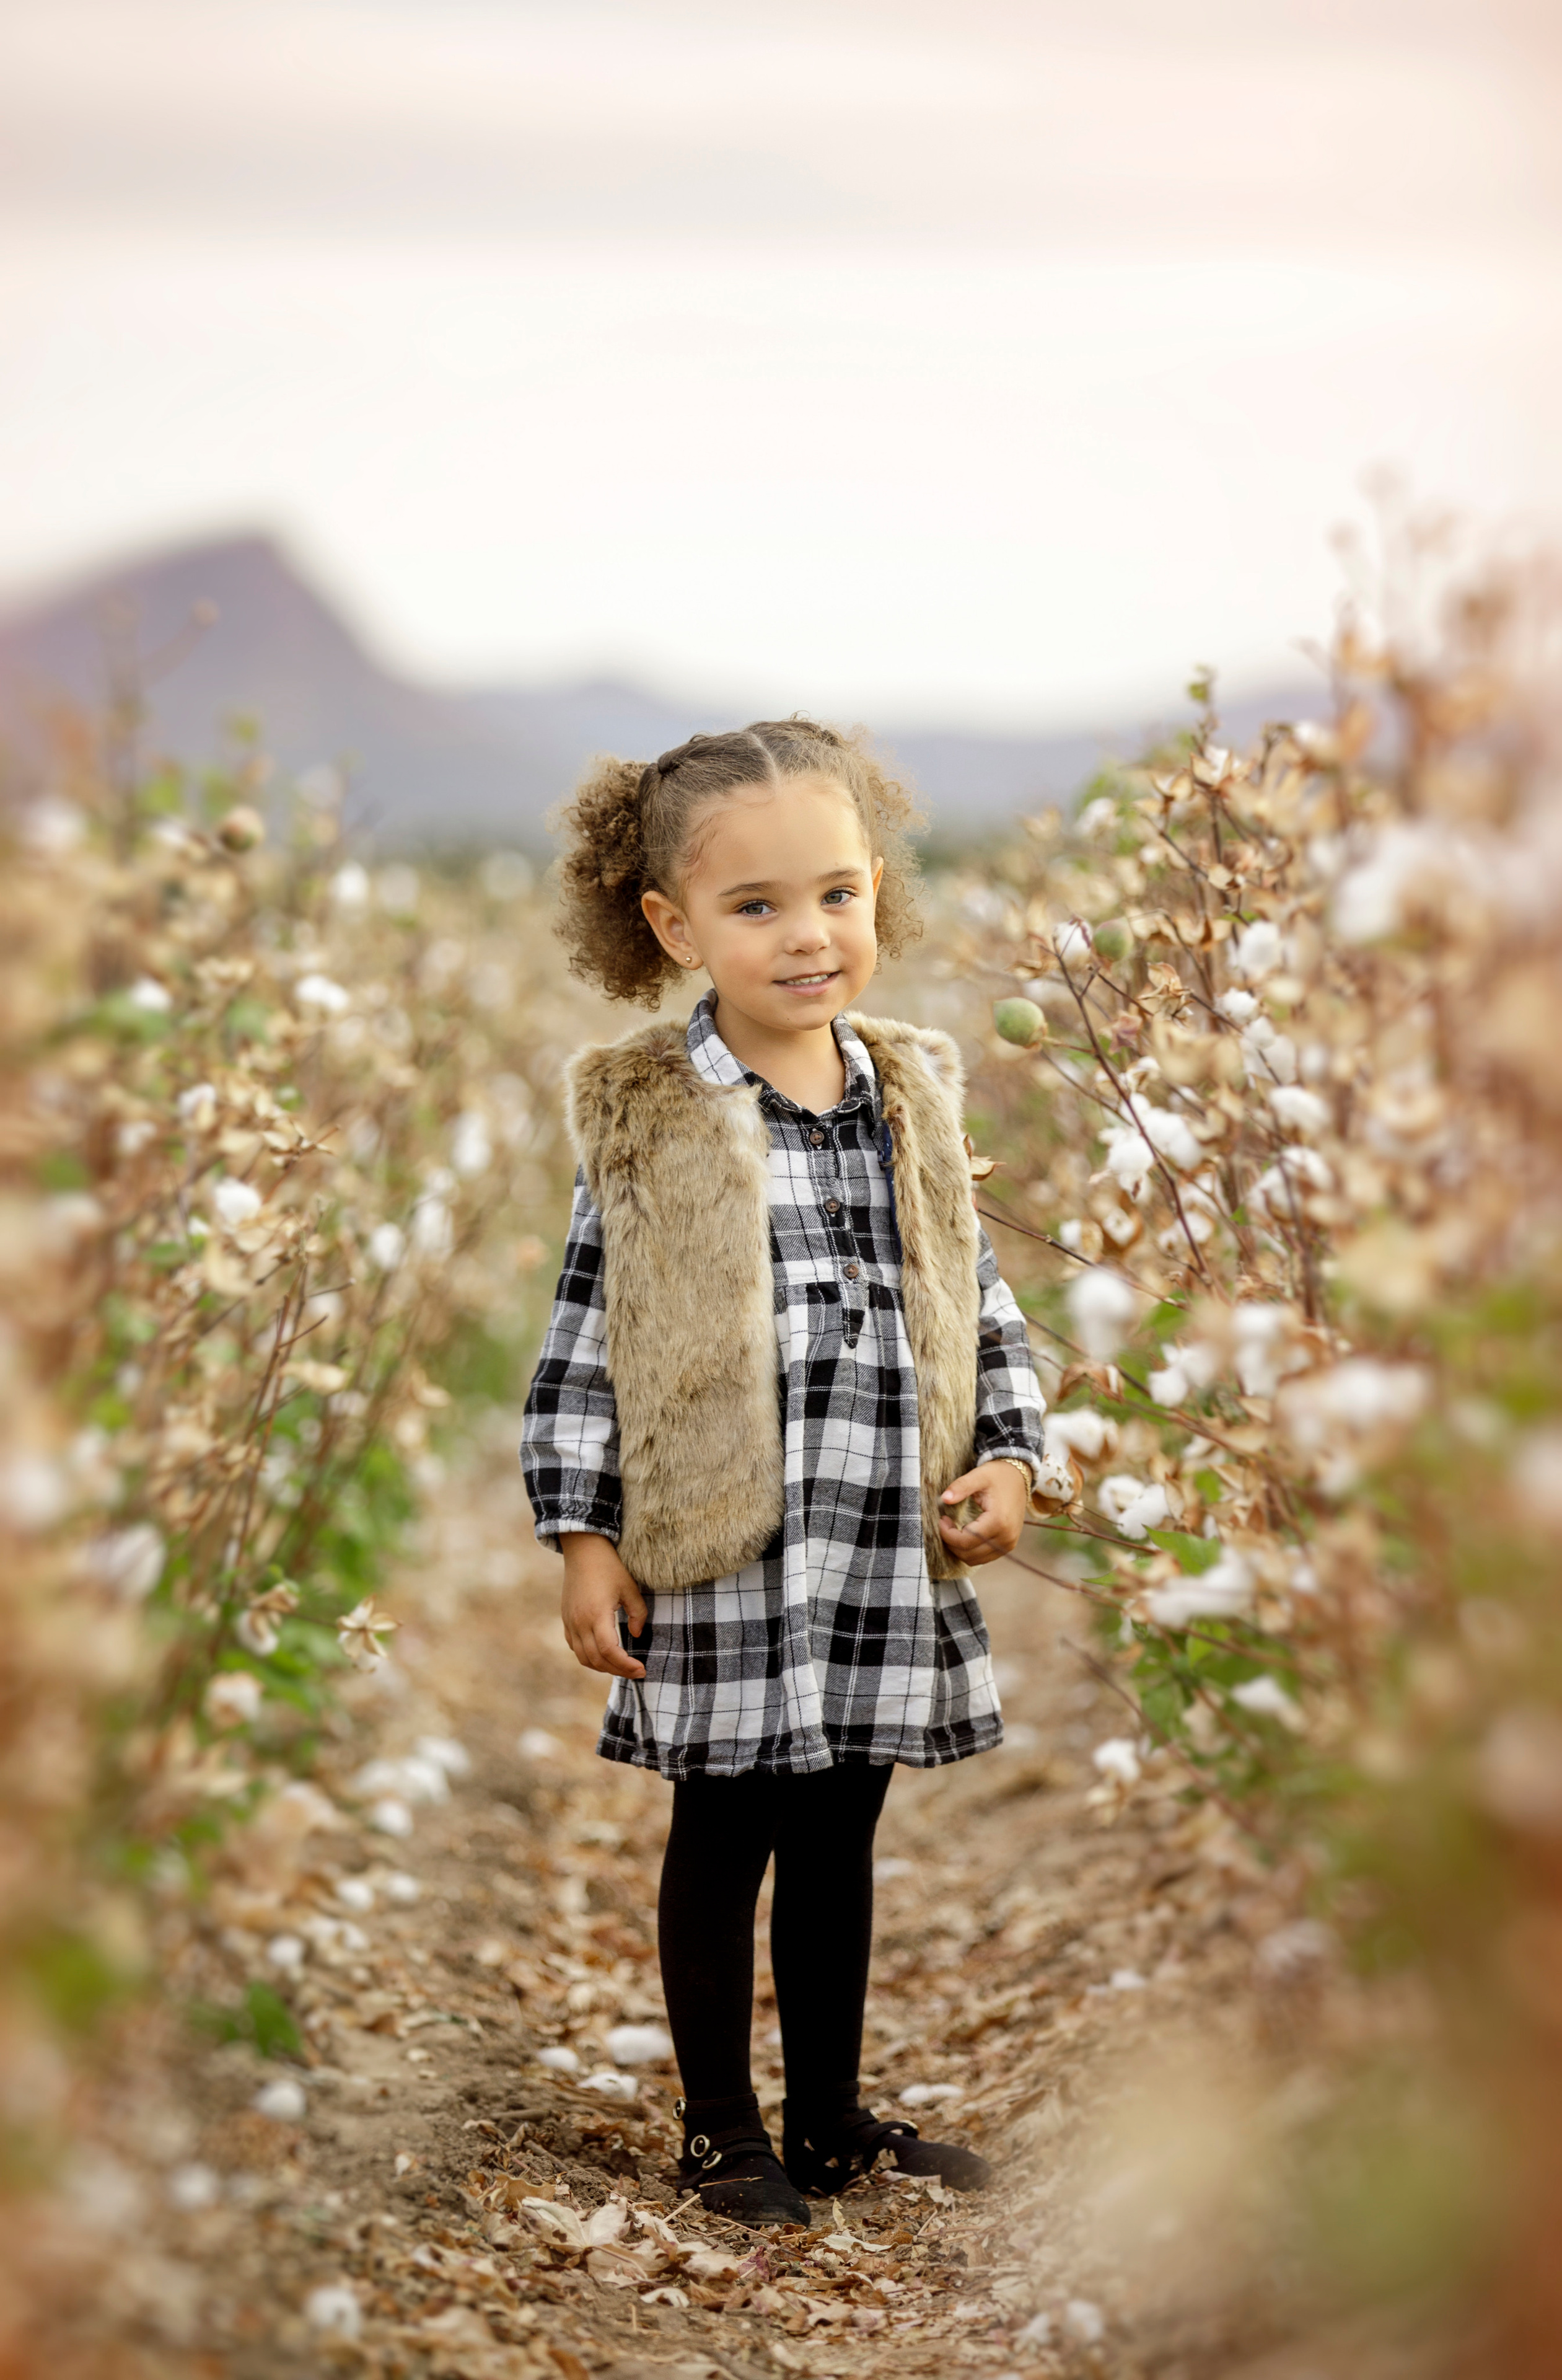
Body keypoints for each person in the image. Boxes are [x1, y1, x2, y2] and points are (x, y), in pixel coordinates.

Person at [520, 719, 1043, 2227]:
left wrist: (1004, 1452)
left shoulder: (910, 1093)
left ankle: (826, 2121)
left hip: (877, 1528)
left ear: (877, 887)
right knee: (724, 1824)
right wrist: (582, 1532)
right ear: (673, 929)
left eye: (834, 895)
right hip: (723, 1540)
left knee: (838, 1832)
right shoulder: (646, 1109)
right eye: (754, 909)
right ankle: (715, 2129)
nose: (806, 937)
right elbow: (584, 1339)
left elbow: (978, 1296)